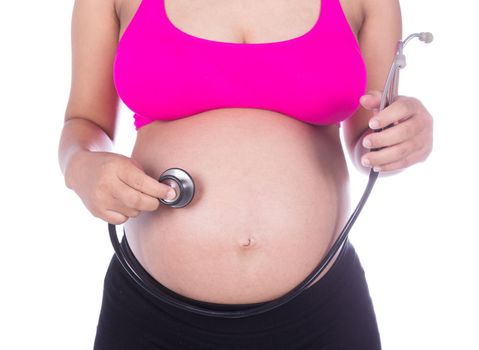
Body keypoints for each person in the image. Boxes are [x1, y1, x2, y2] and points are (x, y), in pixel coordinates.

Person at [58, 0, 433, 348]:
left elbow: (371, 139)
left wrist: (403, 137)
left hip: (322, 315)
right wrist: (81, 165)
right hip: (150, 315)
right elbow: (84, 122)